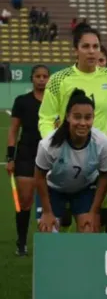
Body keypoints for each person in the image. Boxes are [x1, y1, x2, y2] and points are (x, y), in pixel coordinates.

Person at [37, 27, 107, 229]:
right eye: (86, 46)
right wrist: (56, 146)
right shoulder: (59, 79)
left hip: (93, 164)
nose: (92, 51)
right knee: (51, 232)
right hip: (63, 161)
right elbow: (46, 117)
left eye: (96, 47)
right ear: (76, 49)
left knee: (90, 229)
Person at [35, 89, 107, 233]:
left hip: (84, 190)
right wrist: (47, 212)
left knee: (89, 231)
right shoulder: (49, 144)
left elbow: (104, 176)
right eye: (77, 117)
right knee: (47, 232)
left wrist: (93, 212)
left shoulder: (103, 143)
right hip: (53, 189)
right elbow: (39, 176)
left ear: (93, 118)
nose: (83, 123)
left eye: (88, 117)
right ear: (68, 117)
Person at [6, 65, 50, 256]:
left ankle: (50, 243)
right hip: (26, 156)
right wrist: (10, 157)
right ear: (32, 78)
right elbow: (13, 131)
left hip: (49, 157)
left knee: (50, 203)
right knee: (25, 202)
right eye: (38, 76)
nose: (41, 79)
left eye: (45, 76)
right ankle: (21, 242)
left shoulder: (54, 101)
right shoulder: (22, 101)